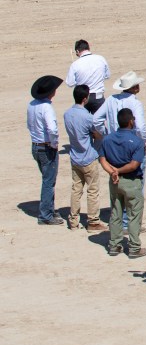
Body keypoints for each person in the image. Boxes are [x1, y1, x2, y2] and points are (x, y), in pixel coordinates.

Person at [99, 108, 146, 258]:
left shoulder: (107, 139)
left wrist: (113, 172)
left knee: (115, 213)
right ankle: (134, 247)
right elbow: (134, 165)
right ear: (131, 121)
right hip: (131, 181)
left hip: (115, 181)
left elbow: (102, 160)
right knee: (134, 214)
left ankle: (114, 245)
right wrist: (118, 171)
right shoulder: (137, 141)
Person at [64, 85, 104, 232]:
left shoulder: (67, 114)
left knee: (76, 189)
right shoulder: (87, 117)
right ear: (85, 99)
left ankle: (73, 221)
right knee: (93, 190)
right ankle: (93, 221)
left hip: (75, 157)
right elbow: (97, 133)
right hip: (88, 157)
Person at [28, 75, 64, 226]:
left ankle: (48, 209)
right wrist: (54, 144)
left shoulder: (32, 104)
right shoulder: (47, 108)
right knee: (49, 181)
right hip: (46, 146)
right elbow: (52, 129)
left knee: (47, 179)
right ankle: (46, 215)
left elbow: (29, 125)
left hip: (36, 145)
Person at [66, 39, 110, 113]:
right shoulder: (101, 59)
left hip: (82, 97)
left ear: (77, 51)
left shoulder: (75, 64)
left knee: (82, 122)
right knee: (99, 122)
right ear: (88, 48)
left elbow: (70, 83)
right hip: (98, 97)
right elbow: (107, 76)